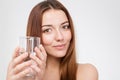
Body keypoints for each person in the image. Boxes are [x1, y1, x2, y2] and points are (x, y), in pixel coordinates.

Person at [6, 0, 98, 80]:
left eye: (65, 27)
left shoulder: (86, 73)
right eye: (48, 30)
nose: (60, 37)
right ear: (35, 35)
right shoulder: (22, 74)